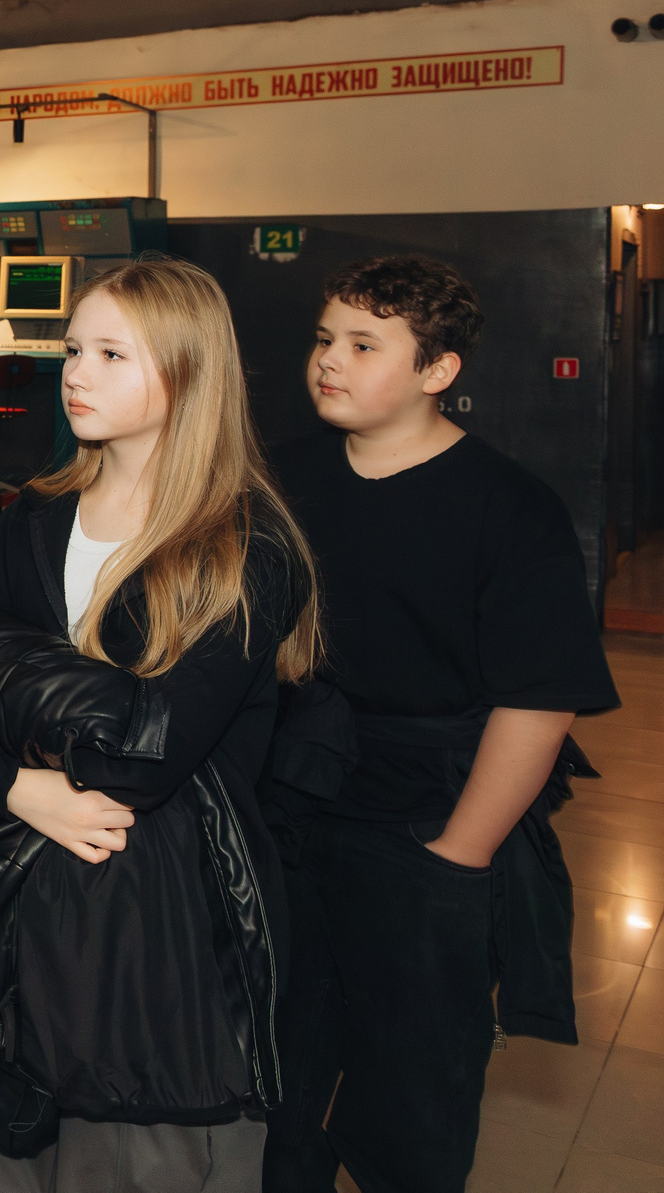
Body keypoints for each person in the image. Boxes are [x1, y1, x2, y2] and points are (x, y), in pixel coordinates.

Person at [0, 257, 320, 1192]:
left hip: (161, 944)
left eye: (111, 353)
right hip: (19, 923)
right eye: (74, 349)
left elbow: (143, 758)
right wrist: (19, 787)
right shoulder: (38, 516)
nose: (76, 373)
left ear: (189, 371)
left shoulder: (243, 546)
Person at [263, 257, 616, 1193]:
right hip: (295, 804)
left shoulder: (511, 508)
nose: (330, 360)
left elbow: (538, 700)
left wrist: (457, 859)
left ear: (437, 371)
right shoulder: (280, 476)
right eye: (325, 338)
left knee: (413, 1080)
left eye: (363, 345)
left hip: (426, 816)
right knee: (280, 1061)